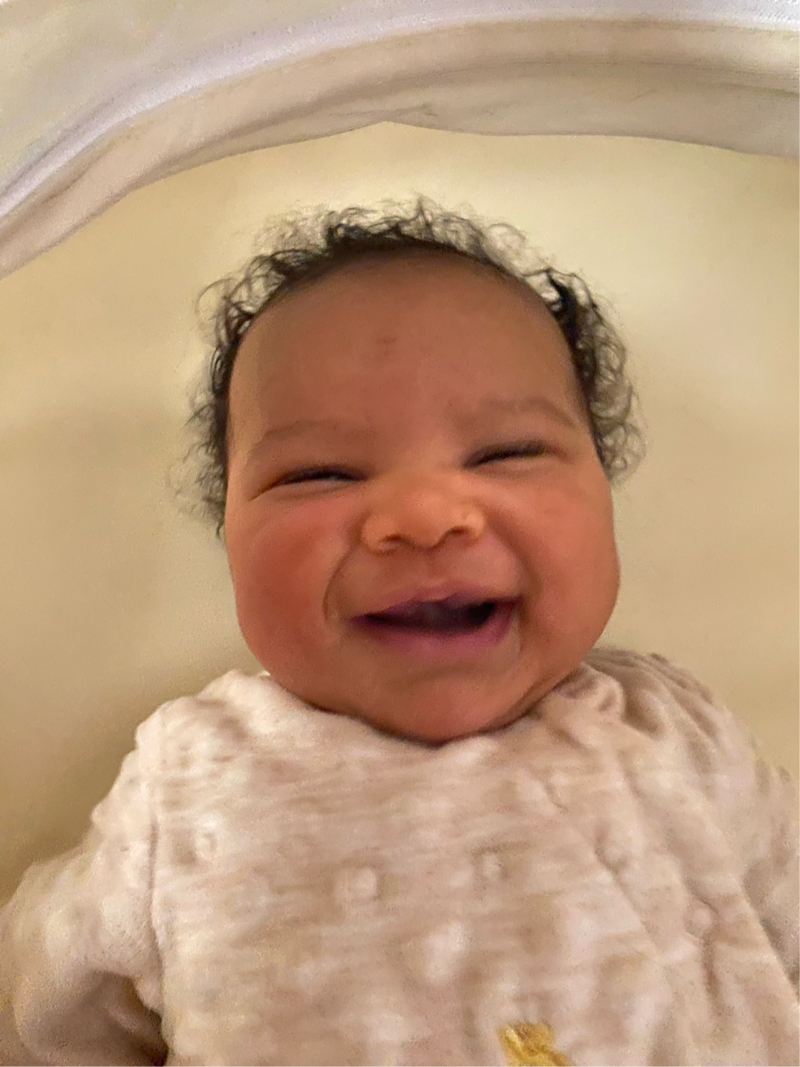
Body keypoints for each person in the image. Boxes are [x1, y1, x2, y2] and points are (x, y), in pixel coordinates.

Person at [1, 199, 798, 1067]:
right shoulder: (190, 783)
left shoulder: (674, 730)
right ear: (229, 535)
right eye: (321, 472)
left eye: (506, 452)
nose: (423, 515)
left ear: (603, 493)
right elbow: (45, 1013)